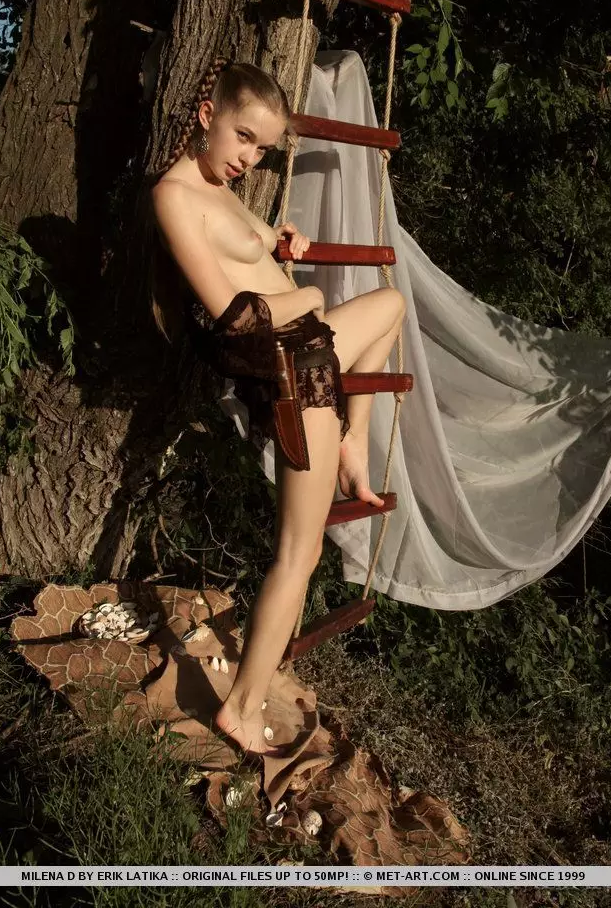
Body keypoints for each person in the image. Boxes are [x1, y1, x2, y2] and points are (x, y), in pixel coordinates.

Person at [147, 58, 406, 755]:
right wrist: (309, 294)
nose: (248, 158)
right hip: (294, 375)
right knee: (300, 550)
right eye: (242, 137)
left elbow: (250, 257)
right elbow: (233, 317)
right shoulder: (174, 196)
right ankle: (241, 708)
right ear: (207, 115)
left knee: (390, 305)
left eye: (262, 148)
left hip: (310, 352)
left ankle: (354, 443)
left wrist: (279, 239)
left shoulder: (219, 187)